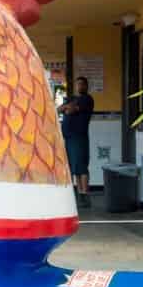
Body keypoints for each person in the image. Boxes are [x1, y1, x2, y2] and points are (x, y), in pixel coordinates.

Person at [58, 76, 94, 208]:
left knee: (82, 166)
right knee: (75, 167)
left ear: (86, 86)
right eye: (78, 84)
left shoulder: (87, 99)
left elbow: (70, 110)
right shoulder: (73, 99)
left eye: (82, 84)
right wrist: (67, 107)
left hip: (79, 136)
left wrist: (68, 108)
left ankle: (85, 195)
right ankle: (80, 194)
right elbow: (60, 109)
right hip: (69, 137)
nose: (79, 87)